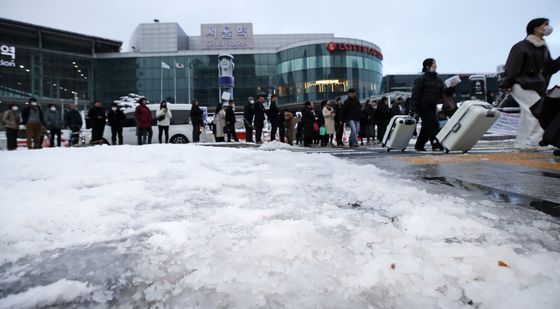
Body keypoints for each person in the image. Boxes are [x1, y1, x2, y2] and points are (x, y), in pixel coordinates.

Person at [501, 18, 560, 150]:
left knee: (527, 113)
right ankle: (535, 142)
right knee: (538, 112)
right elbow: (511, 66)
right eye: (545, 25)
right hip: (520, 84)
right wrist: (507, 83)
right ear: (536, 28)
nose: (548, 27)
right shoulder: (521, 46)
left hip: (533, 85)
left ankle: (521, 143)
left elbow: (550, 68)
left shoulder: (542, 47)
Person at [411, 58, 445, 151]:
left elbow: (444, 93)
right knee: (433, 125)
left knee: (426, 127)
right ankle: (436, 144)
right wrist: (414, 108)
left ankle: (419, 145)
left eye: (435, 63)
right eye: (433, 63)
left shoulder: (438, 79)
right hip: (423, 106)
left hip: (433, 106)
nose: (435, 65)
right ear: (427, 66)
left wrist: (453, 87)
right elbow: (415, 94)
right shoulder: (421, 79)